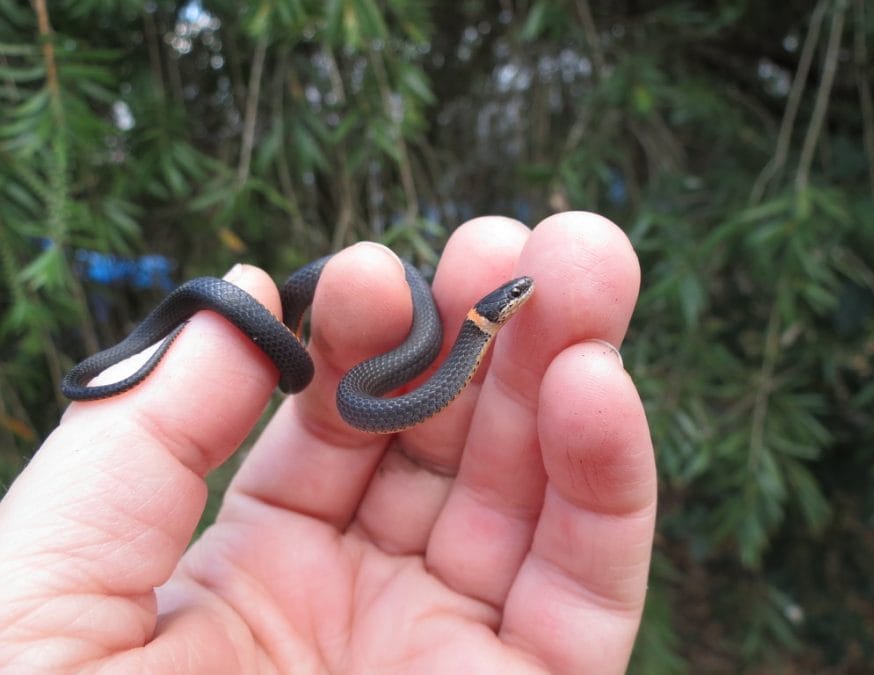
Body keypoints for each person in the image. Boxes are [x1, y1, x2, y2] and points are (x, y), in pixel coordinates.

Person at [0, 212, 656, 673]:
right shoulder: (408, 370)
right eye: (513, 294)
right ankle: (229, 325)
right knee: (348, 290)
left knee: (375, 294)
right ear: (495, 309)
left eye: (514, 295)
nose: (522, 295)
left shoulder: (437, 353)